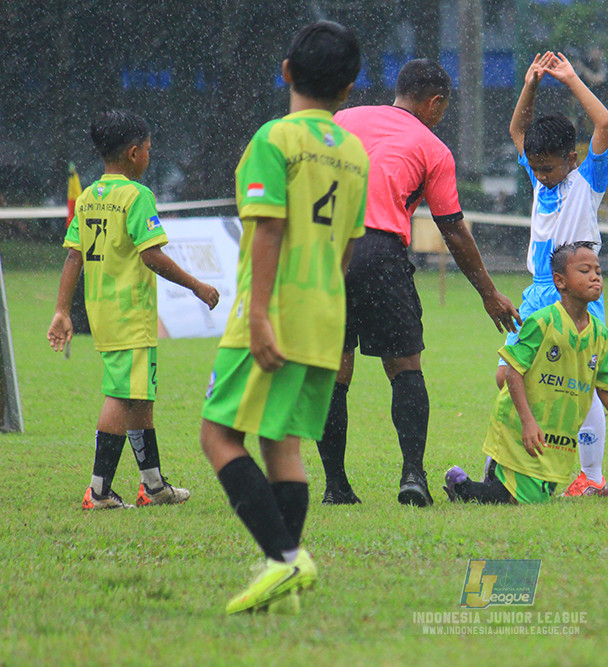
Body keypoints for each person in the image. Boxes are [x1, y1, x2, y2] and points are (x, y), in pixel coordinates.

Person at [199, 21, 367, 615]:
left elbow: (268, 228)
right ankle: (282, 578)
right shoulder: (354, 153)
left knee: (218, 435)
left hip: (273, 312)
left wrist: (260, 315)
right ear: (348, 88)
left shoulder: (274, 139)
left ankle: (285, 558)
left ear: (287, 71)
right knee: (281, 442)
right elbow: (347, 249)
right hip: (325, 317)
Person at [316, 59, 520, 508]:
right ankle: (412, 476)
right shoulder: (432, 147)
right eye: (443, 109)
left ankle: (336, 486)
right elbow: (454, 230)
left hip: (324, 250)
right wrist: (489, 293)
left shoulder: (342, 120)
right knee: (404, 367)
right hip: (378, 252)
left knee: (334, 370)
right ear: (435, 102)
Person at [47, 110, 220, 510]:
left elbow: (73, 256)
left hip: (104, 311)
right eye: (148, 149)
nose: (149, 156)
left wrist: (62, 309)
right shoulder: (137, 196)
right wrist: (197, 286)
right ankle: (99, 491)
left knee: (140, 396)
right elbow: (152, 256)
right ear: (134, 152)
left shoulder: (89, 197)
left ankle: (153, 486)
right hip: (131, 313)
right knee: (122, 396)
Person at [443, 242, 608, 504]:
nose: (595, 277)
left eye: (598, 272)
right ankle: (465, 486)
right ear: (560, 281)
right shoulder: (542, 322)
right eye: (585, 271)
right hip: (520, 424)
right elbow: (512, 372)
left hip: (556, 437)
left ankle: (487, 480)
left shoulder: (601, 335)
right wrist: (527, 422)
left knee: (538, 497)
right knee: (516, 499)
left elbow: (606, 389)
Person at [501, 51, 608, 497]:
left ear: (572, 157)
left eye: (547, 168)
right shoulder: (539, 175)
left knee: (581, 384)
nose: (540, 175)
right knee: (507, 374)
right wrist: (530, 84)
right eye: (535, 167)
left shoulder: (587, 181)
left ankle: (593, 477)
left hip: (575, 294)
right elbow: (518, 130)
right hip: (538, 292)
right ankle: (512, 463)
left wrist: (570, 80)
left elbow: (604, 124)